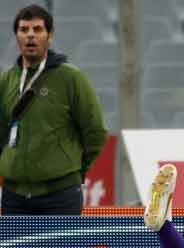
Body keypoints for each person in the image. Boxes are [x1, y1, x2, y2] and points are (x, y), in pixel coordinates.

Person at [0, 4, 107, 215]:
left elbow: (95, 132)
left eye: (37, 29)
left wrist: (73, 172)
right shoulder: (6, 81)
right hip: (14, 195)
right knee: (17, 241)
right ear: (17, 36)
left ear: (50, 35)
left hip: (60, 196)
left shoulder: (71, 78)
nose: (30, 35)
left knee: (61, 242)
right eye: (24, 29)